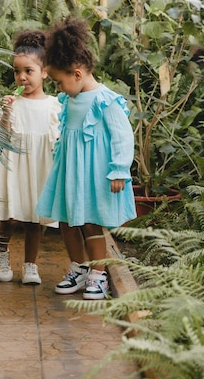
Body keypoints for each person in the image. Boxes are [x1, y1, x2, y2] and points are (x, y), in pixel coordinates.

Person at [35, 16, 136, 300]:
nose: (58, 87)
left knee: (91, 221)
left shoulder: (106, 100)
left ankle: (98, 273)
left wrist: (118, 170)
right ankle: (79, 268)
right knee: (67, 220)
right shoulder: (71, 99)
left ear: (77, 74)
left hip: (95, 173)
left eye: (59, 81)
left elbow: (122, 136)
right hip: (71, 170)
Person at [0, 30, 61, 285]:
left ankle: (31, 265)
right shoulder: (12, 103)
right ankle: (0, 252)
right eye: (17, 71)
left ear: (44, 71)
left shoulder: (54, 105)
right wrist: (7, 112)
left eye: (28, 71)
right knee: (10, 216)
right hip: (15, 167)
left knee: (34, 219)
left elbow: (57, 139)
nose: (22, 77)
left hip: (39, 168)